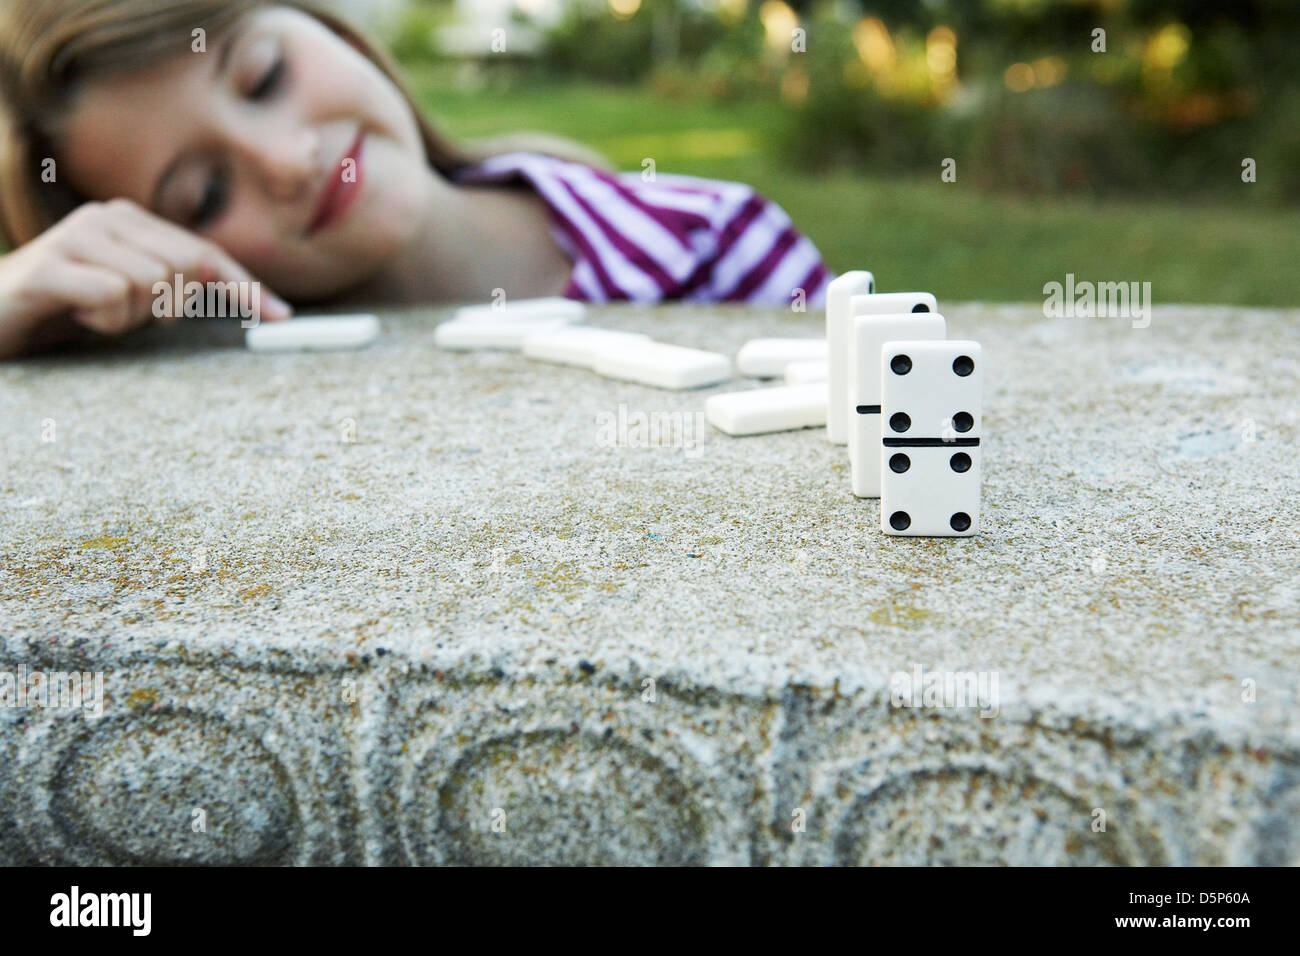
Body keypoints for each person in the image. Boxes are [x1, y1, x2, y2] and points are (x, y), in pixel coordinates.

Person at [0, 0, 832, 359]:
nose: (290, 162)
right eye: (204, 196)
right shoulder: (195, 357)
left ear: (337, 35)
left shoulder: (715, 242)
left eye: (263, 77)